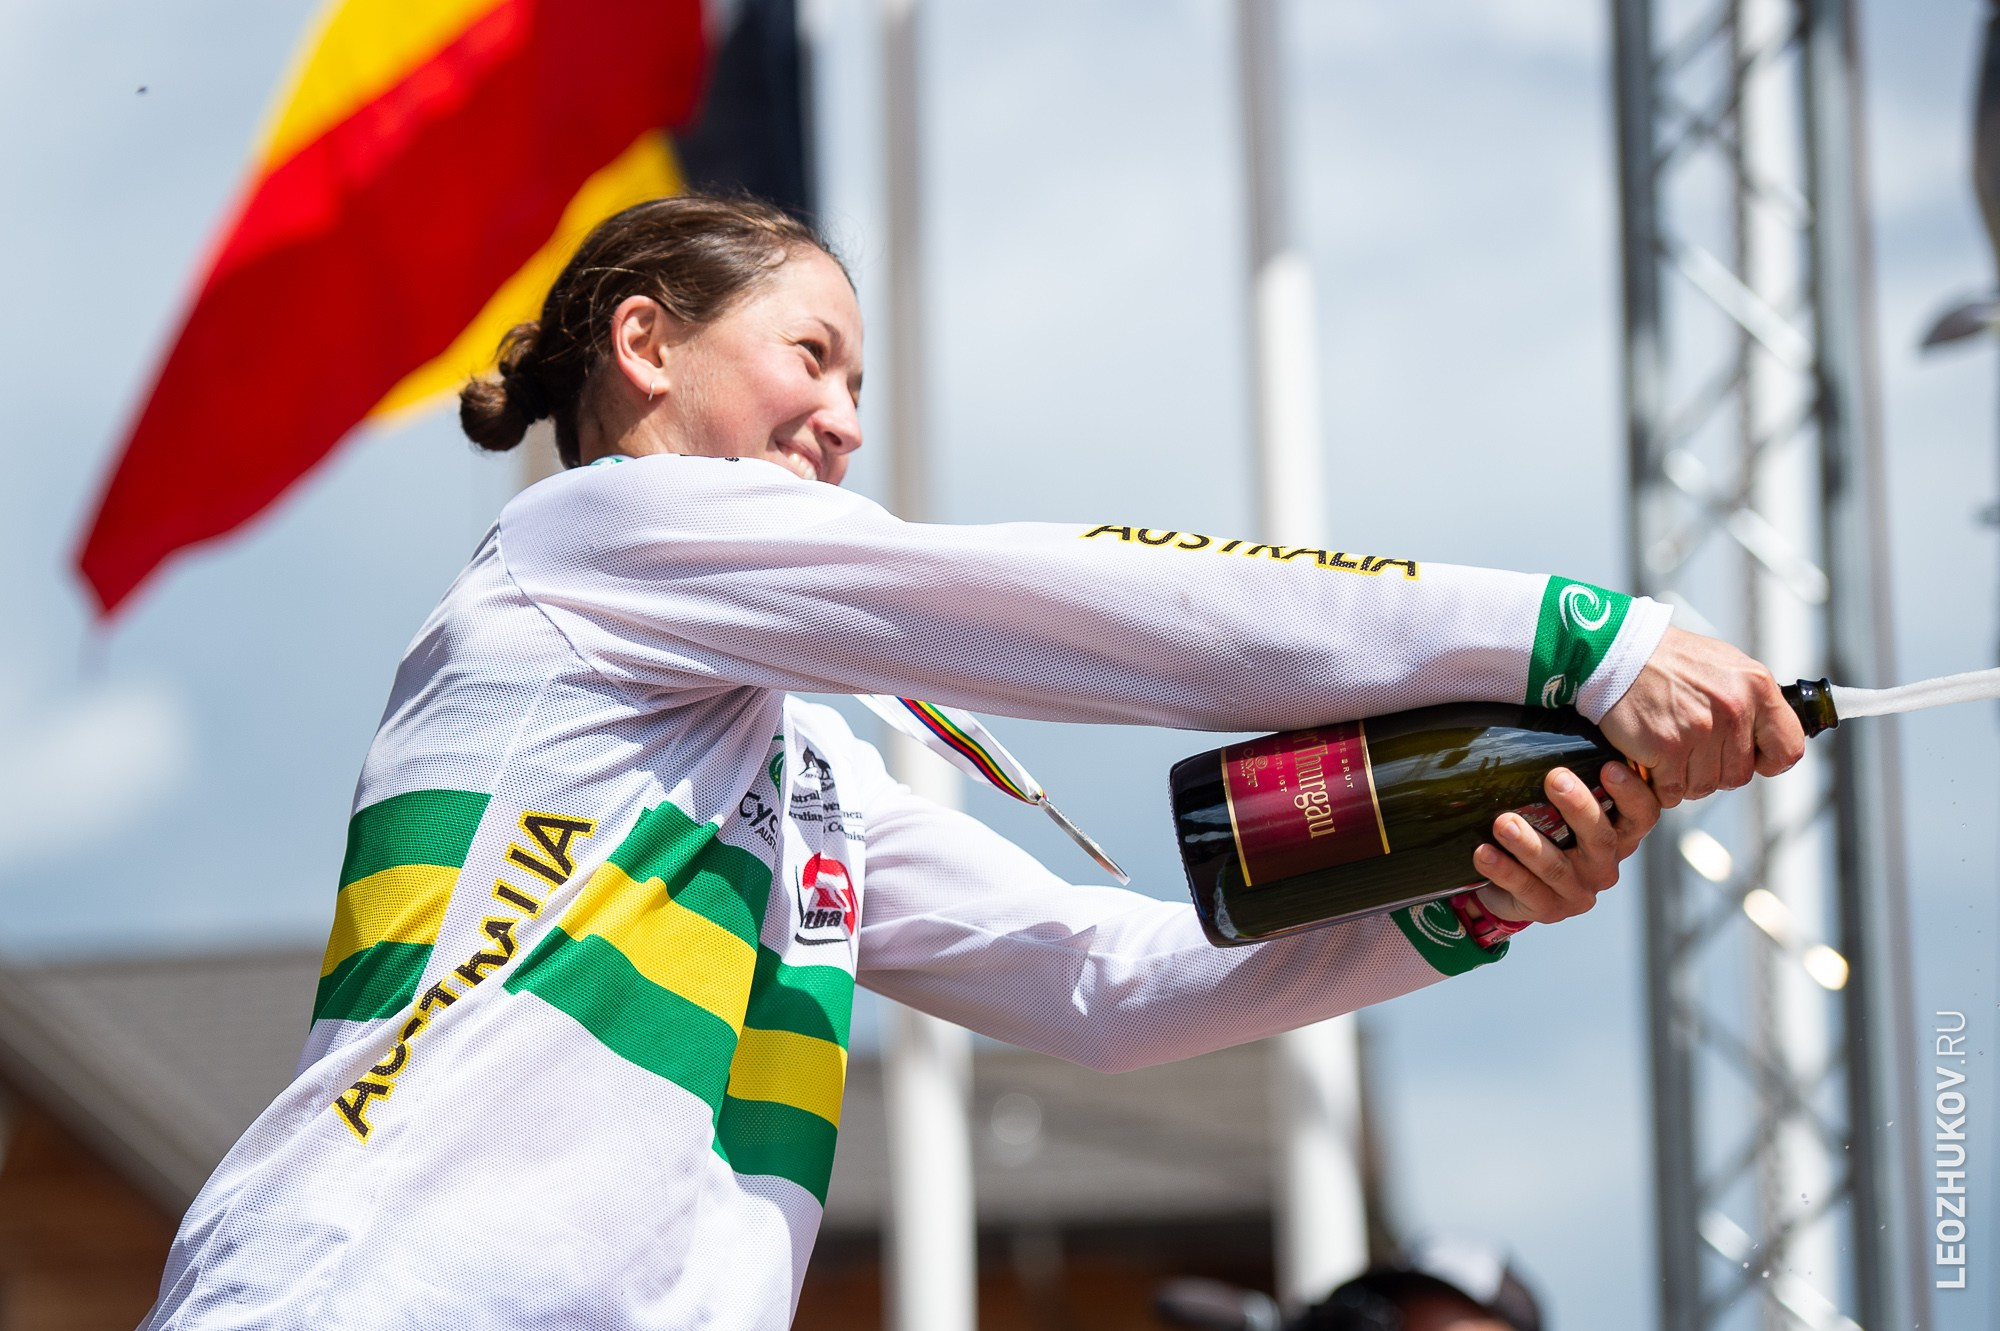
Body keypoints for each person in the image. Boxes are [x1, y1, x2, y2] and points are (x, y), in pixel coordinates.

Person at [139, 195, 1802, 1330]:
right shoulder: (593, 542)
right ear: (646, 347)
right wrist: (1579, 636)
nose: (849, 421)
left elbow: (1106, 980)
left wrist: (1456, 896)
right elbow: (1081, 611)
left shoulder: (798, 772)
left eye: (863, 383)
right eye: (812, 358)